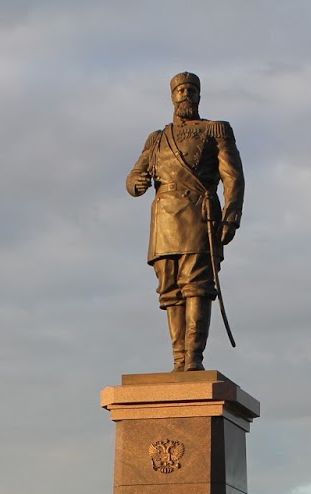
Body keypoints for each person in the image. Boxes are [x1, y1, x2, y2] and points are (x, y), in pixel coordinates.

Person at [127, 72, 244, 372]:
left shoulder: (215, 130)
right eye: (180, 90)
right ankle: (178, 359)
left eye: (191, 89)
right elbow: (134, 174)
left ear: (199, 95)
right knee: (170, 290)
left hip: (198, 215)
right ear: (172, 96)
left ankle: (193, 358)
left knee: (196, 286)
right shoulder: (157, 139)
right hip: (165, 218)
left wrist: (231, 216)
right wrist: (135, 183)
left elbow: (232, 177)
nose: (186, 95)